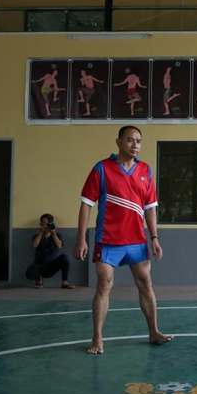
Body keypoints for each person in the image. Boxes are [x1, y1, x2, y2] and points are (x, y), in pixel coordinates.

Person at [74, 126, 172, 355]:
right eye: (130, 140)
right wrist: (81, 239)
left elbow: (150, 209)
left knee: (146, 284)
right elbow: (86, 204)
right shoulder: (102, 168)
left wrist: (154, 238)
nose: (135, 144)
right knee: (104, 285)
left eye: (138, 141)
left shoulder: (145, 171)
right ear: (118, 142)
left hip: (137, 241)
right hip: (107, 240)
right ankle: (97, 338)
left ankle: (153, 332)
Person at [26, 213, 74, 289]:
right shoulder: (36, 236)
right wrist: (42, 232)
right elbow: (34, 245)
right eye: (45, 224)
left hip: (52, 265)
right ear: (41, 224)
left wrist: (53, 233)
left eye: (49, 224)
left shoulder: (57, 235)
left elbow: (59, 246)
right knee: (29, 272)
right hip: (39, 265)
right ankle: (39, 280)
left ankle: (64, 282)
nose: (47, 226)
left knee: (64, 257)